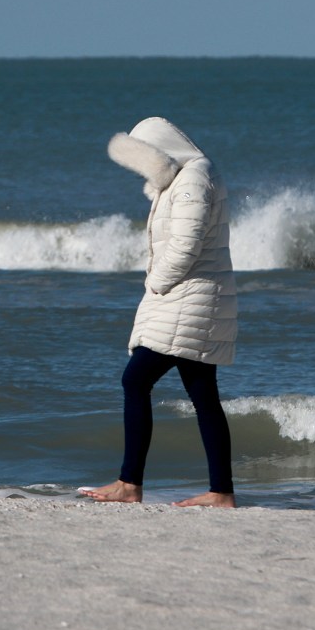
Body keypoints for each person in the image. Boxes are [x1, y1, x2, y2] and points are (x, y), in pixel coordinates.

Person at [79, 117, 239, 508]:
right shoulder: (189, 176)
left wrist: (156, 285)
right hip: (192, 298)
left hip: (188, 298)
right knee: (203, 394)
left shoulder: (192, 180)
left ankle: (130, 485)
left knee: (136, 380)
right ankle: (221, 492)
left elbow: (185, 246)